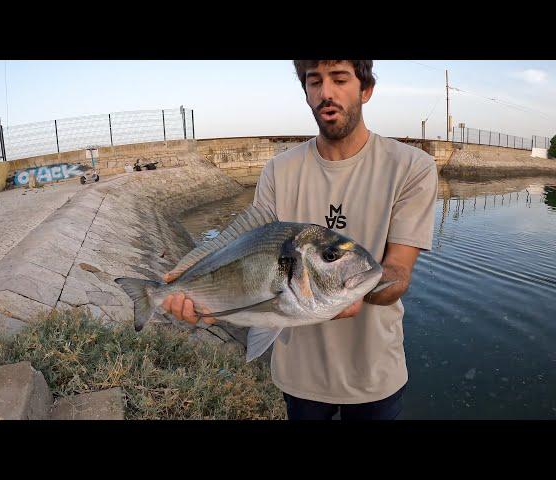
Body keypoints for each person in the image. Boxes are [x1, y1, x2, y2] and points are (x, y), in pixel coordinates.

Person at [161, 60, 438, 420]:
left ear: (366, 89)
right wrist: (203, 290)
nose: (326, 93)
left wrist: (350, 291)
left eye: (339, 79)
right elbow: (246, 248)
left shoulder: (412, 167)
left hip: (375, 374)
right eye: (314, 82)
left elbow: (398, 270)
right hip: (299, 378)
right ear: (306, 91)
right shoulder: (279, 169)